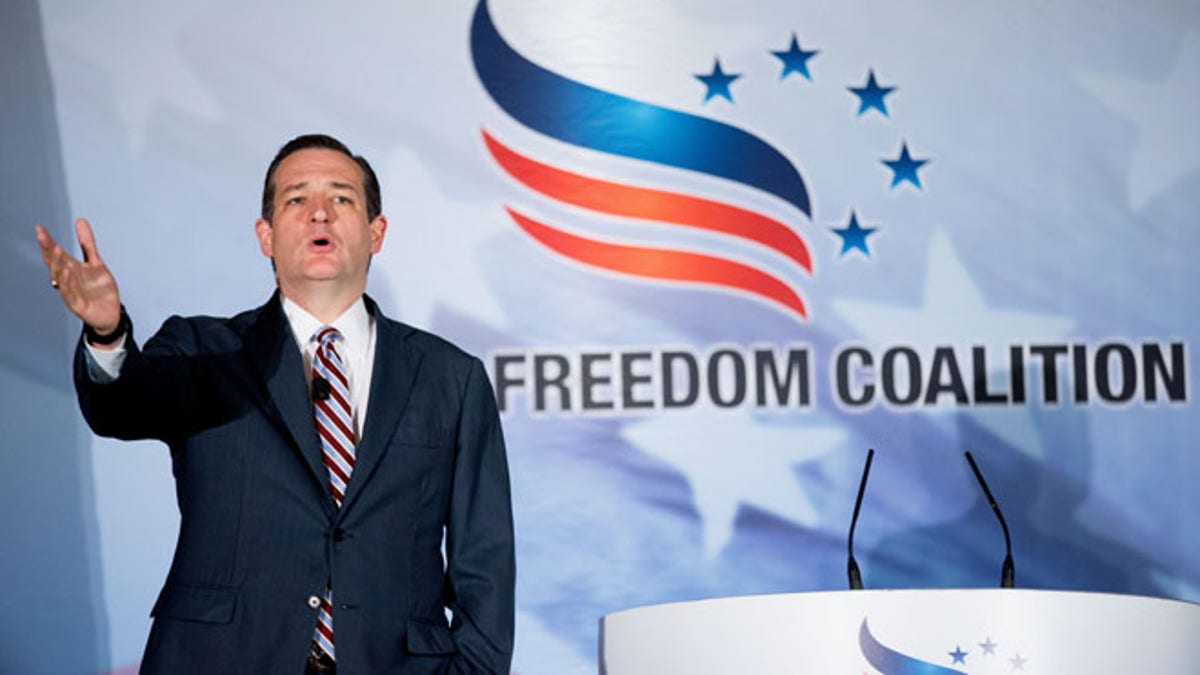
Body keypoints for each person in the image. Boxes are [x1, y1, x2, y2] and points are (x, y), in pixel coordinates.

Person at [35, 134, 515, 674]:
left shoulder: (450, 377)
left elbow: (485, 560)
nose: (319, 215)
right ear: (265, 236)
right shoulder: (204, 351)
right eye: (295, 200)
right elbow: (120, 408)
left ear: (376, 232)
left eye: (341, 198)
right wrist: (106, 333)